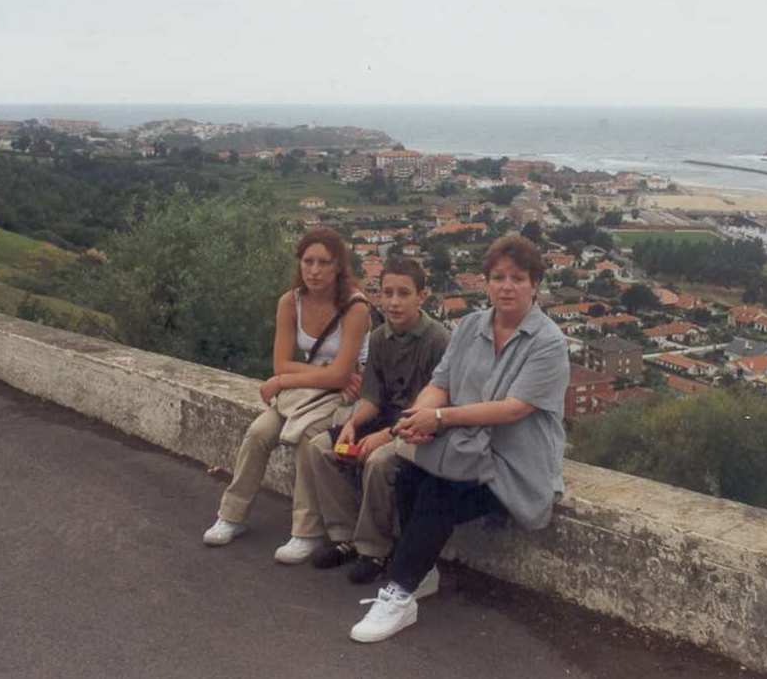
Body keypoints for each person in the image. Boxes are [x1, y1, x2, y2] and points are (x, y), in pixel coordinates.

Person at [348, 234, 570, 643]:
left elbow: (512, 409)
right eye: (498, 277)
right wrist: (418, 416)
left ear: (535, 284)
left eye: (518, 278)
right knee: (408, 468)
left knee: (440, 489)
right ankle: (421, 570)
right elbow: (441, 383)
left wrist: (439, 417)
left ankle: (398, 593)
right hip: (467, 448)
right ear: (485, 282)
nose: (507, 286)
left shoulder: (549, 343)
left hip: (514, 464)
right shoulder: (469, 327)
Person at [203, 227, 370, 564]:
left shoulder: (356, 307)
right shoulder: (289, 302)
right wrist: (316, 374)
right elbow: (281, 362)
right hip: (305, 393)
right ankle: (231, 516)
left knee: (310, 440)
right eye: (308, 261)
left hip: (342, 398)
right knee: (258, 433)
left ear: (339, 266)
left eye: (324, 262)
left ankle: (305, 532)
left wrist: (283, 380)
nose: (315, 270)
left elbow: (340, 376)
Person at [298, 258, 449, 585]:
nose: (394, 302)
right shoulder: (379, 338)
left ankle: (374, 549)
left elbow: (428, 409)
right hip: (383, 419)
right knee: (321, 447)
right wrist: (353, 422)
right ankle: (346, 534)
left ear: (421, 296)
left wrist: (384, 436)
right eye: (387, 293)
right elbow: (371, 396)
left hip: (417, 428)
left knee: (380, 462)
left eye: (403, 293)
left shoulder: (438, 341)